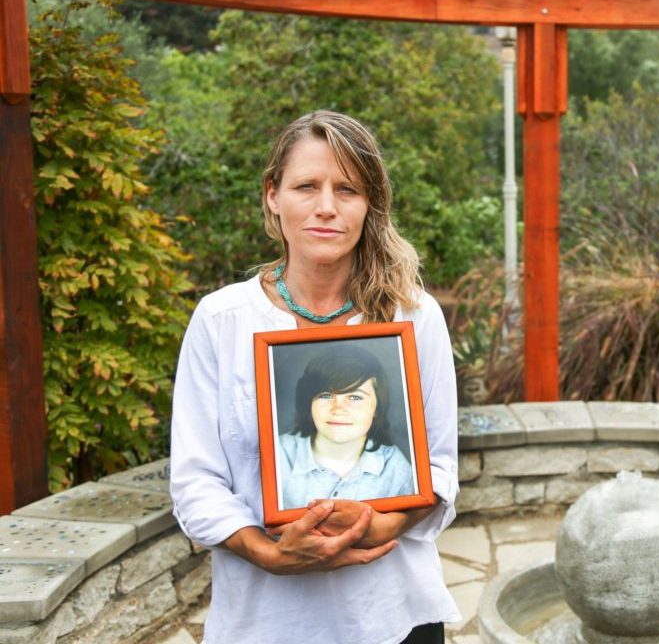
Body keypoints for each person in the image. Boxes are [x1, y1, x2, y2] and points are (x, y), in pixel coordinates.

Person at [169, 111, 460, 644]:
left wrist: (386, 523)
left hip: (393, 616)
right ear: (273, 194)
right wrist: (269, 553)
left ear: (369, 203)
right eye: (307, 186)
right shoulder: (221, 320)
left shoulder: (414, 317)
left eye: (347, 189)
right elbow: (195, 480)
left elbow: (439, 466)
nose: (327, 207)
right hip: (265, 621)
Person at [278, 342, 415, 507]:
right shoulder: (279, 454)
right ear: (309, 401)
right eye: (326, 395)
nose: (338, 409)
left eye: (355, 397)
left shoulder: (395, 468)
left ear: (377, 408)